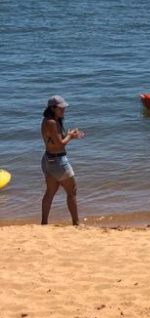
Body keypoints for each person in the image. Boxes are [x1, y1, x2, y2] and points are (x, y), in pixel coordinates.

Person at [41, 95, 85, 225]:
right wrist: (70, 137)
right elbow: (60, 144)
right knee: (72, 191)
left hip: (48, 160)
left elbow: (55, 140)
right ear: (53, 108)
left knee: (50, 193)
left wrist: (71, 135)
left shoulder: (48, 120)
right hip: (58, 162)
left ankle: (44, 223)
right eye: (61, 108)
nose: (63, 110)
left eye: (64, 108)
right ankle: (76, 223)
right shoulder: (52, 122)